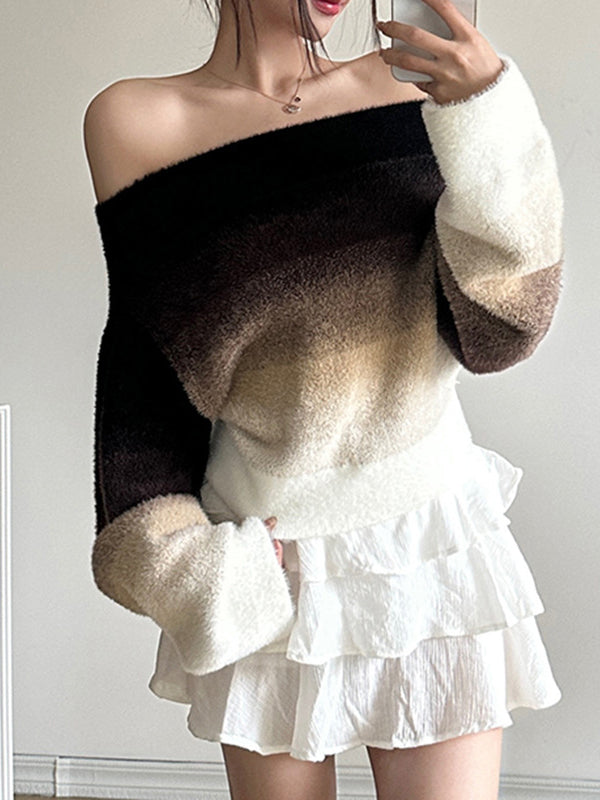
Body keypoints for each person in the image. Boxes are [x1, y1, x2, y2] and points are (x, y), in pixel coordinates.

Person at [83, 0, 564, 797]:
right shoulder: (136, 122)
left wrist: (489, 116)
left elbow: (500, 332)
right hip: (267, 566)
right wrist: (192, 569)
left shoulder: (409, 87)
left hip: (430, 550)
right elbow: (149, 369)